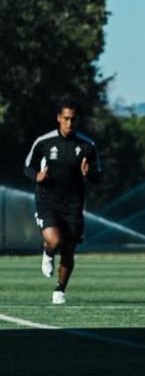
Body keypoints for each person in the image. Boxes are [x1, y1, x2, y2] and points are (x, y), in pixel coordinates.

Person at [23, 98, 102, 305]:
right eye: (66, 119)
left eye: (73, 120)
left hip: (74, 205)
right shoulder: (44, 142)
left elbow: (98, 175)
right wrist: (36, 176)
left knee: (69, 249)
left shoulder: (87, 145)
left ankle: (60, 289)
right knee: (55, 241)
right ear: (59, 118)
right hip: (47, 200)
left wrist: (89, 173)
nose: (69, 123)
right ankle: (48, 251)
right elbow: (27, 166)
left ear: (78, 121)